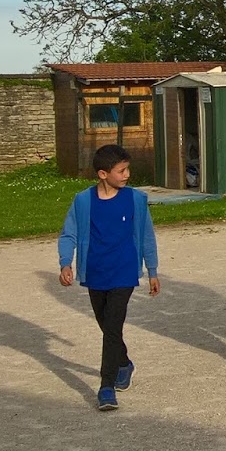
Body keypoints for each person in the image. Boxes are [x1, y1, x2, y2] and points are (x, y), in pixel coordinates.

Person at [57, 144, 160, 411]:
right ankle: (124, 363)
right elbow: (68, 233)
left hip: (124, 272)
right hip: (95, 272)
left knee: (112, 327)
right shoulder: (83, 201)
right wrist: (66, 263)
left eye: (127, 169)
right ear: (103, 174)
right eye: (121, 171)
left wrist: (152, 270)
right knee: (106, 324)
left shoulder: (136, 199)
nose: (127, 175)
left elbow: (146, 236)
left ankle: (106, 387)